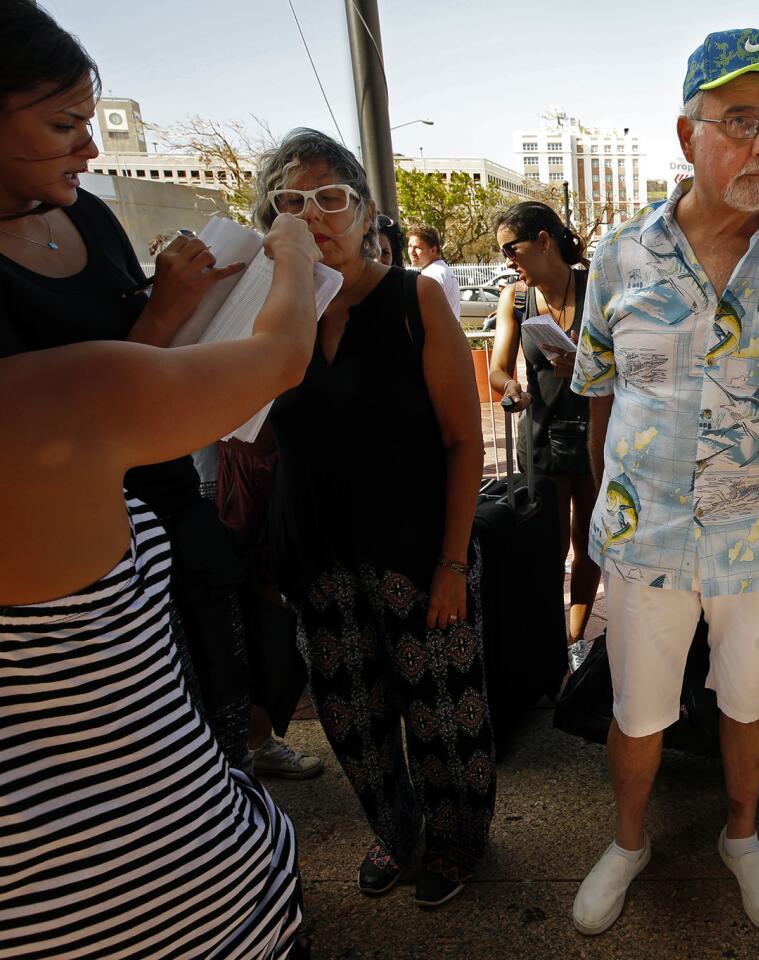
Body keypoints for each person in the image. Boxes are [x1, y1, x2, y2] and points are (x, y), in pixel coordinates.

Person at [568, 27, 759, 936]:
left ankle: (742, 837)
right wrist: (597, 534)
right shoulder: (621, 256)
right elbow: (599, 398)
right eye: (740, 121)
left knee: (749, 700)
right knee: (638, 713)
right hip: (647, 534)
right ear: (686, 134)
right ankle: (628, 843)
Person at [0, 209, 318, 959]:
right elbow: (280, 355)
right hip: (174, 901)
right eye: (64, 121)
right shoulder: (54, 395)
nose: (85, 147)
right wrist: (295, 253)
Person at [0, 0, 256, 766]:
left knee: (217, 718)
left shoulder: (87, 218)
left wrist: (202, 306)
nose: (86, 143)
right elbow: (70, 420)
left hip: (172, 511)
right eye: (62, 124)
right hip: (72, 586)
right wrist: (166, 313)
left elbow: (141, 362)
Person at [256, 128, 493, 910]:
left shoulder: (412, 299)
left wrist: (453, 563)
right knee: (352, 717)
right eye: (292, 200)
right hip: (317, 558)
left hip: (418, 554)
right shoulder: (266, 313)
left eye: (332, 197)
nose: (313, 214)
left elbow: (465, 441)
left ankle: (458, 840)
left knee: (441, 718)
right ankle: (397, 832)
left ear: (365, 213)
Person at [487, 200, 600, 653]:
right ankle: (549, 638)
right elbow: (497, 368)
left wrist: (588, 363)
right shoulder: (514, 297)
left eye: (511, 249)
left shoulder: (597, 288)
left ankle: (574, 638)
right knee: (547, 545)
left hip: (595, 430)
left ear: (544, 241)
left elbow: (632, 361)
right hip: (541, 431)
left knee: (590, 539)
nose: (508, 261)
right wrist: (511, 387)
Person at [407, 222, 461, 318]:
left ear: (433, 250)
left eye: (417, 248)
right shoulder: (440, 270)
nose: (412, 252)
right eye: (410, 246)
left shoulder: (433, 275)